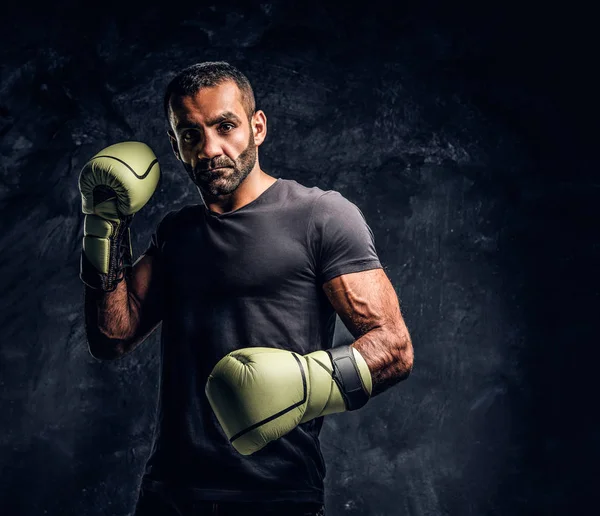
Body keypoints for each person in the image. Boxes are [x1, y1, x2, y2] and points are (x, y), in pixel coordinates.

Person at [80, 61, 414, 516]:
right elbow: (112, 337)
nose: (211, 148)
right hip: (170, 492)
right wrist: (106, 228)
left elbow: (394, 348)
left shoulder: (321, 216)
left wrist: (306, 381)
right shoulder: (176, 233)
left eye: (225, 126)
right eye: (191, 134)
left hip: (277, 493)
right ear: (176, 147)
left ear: (257, 127)